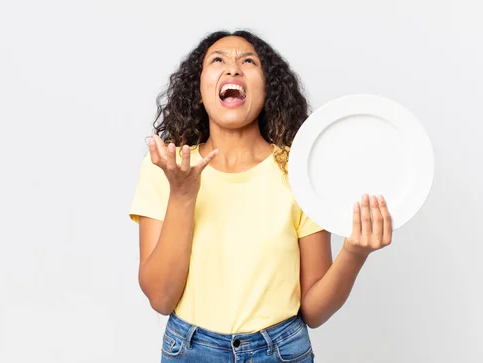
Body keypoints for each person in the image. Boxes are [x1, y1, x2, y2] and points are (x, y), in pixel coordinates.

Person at [129, 29, 393, 363]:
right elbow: (161, 298)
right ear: (198, 91)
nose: (233, 69)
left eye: (248, 61)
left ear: (268, 90)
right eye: (218, 60)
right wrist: (182, 195)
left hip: (281, 351)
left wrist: (354, 253)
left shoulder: (298, 172)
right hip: (191, 352)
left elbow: (313, 311)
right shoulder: (166, 168)